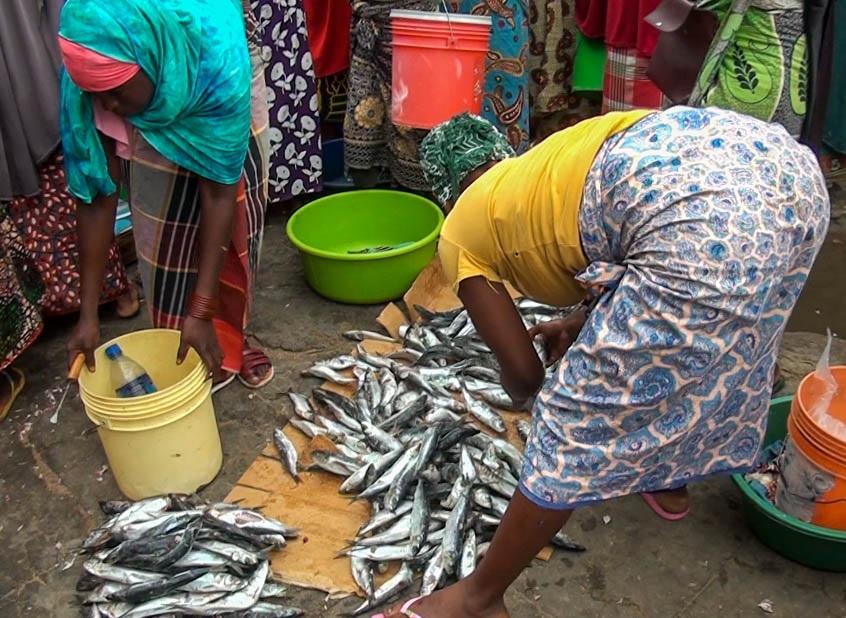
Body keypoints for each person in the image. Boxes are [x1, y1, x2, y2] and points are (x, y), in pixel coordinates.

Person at [378, 108, 829, 618]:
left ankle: (476, 599)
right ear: (499, 154)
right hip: (785, 174)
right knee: (708, 348)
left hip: (700, 230)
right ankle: (668, 479)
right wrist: (581, 320)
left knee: (567, 418)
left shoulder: (460, 232)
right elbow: (630, 229)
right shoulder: (545, 163)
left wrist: (525, 387)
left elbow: (525, 376)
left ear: (446, 194)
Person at [59, 0, 273, 389]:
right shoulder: (94, 60)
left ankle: (230, 335)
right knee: (162, 232)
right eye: (99, 95)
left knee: (236, 224)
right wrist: (86, 315)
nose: (109, 105)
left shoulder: (218, 62)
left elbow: (219, 193)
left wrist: (202, 309)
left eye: (115, 93)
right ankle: (179, 341)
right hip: (147, 58)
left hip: (205, 71)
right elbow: (96, 194)